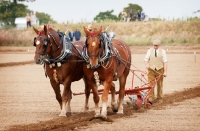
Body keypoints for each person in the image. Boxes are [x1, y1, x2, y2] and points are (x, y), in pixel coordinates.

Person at [144, 39, 168, 104]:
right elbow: (146, 59)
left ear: (159, 45)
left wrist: (165, 72)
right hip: (151, 70)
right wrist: (146, 64)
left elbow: (165, 62)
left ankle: (159, 98)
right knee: (151, 84)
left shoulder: (163, 51)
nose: (155, 47)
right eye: (154, 45)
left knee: (159, 84)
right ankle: (151, 97)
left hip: (160, 69)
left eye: (156, 46)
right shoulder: (149, 51)